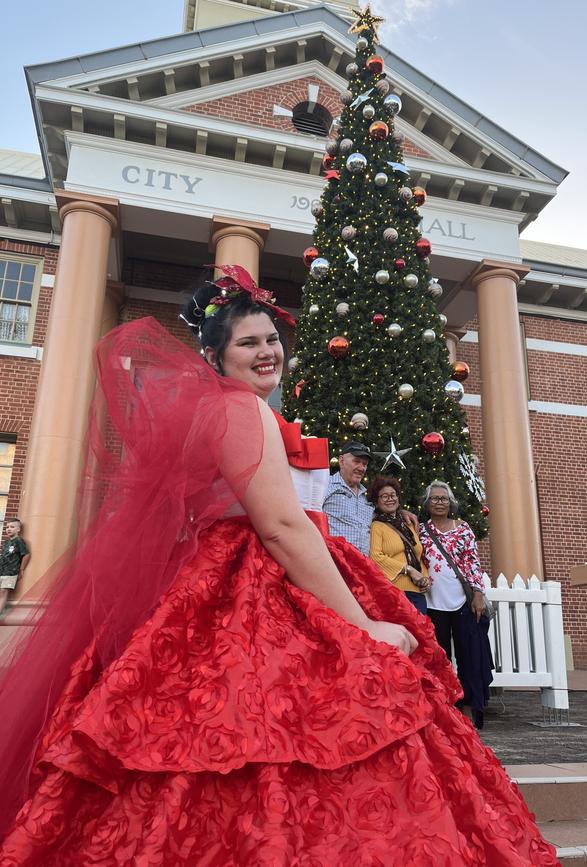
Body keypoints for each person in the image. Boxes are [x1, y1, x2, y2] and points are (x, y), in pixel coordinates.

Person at [0, 267, 558, 865]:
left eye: (271, 339)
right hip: (250, 586)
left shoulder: (210, 412)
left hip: (208, 581)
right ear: (214, 355)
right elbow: (283, 527)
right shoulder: (242, 411)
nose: (266, 352)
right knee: (288, 728)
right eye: (248, 343)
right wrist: (361, 626)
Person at [420, 480, 494, 729]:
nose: (439, 502)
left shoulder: (463, 529)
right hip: (432, 605)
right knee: (440, 658)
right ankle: (443, 706)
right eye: (434, 498)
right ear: (427, 503)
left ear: (450, 502)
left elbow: (473, 563)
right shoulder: (420, 530)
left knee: (469, 656)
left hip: (462, 602)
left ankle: (469, 707)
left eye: (443, 498)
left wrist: (478, 594)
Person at [368, 476, 430, 615]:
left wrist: (424, 577)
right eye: (384, 496)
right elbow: (375, 557)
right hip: (394, 591)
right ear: (377, 502)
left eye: (393, 495)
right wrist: (409, 570)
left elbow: (418, 554)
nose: (390, 499)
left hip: (417, 593)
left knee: (420, 635)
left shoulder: (408, 524)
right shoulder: (377, 526)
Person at [322, 441, 374, 553]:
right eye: (357, 462)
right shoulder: (325, 485)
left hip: (364, 566)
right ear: (341, 461)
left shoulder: (367, 496)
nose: (361, 468)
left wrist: (404, 513)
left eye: (364, 464)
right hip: (335, 563)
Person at [0, 518, 30, 615]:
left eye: (12, 527)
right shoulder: (6, 542)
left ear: (18, 529)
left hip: (11, 571)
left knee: (3, 592)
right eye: (7, 527)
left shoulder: (19, 541)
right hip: (1, 570)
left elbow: (26, 554)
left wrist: (22, 568)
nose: (8, 529)